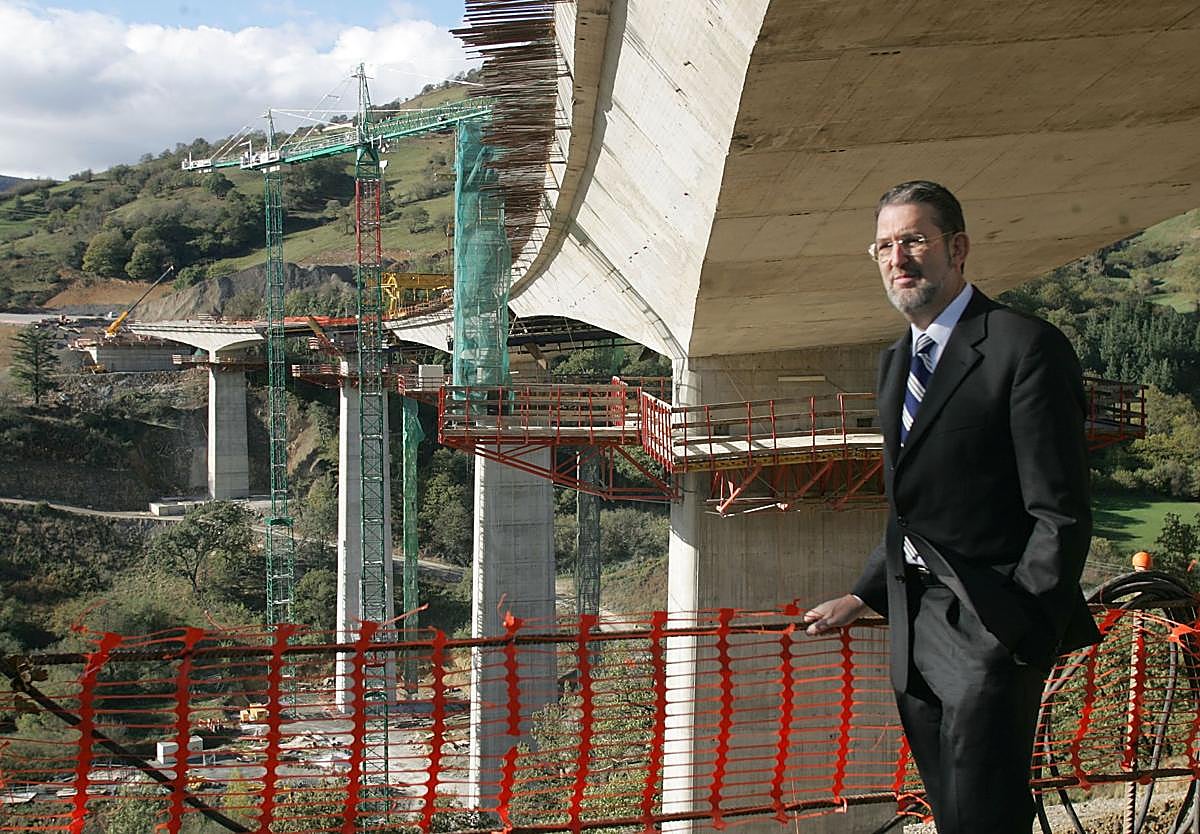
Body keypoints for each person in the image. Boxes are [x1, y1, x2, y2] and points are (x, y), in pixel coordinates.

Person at [802, 181, 1100, 833]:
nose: (897, 258)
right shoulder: (894, 364)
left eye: (914, 239)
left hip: (988, 622)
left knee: (983, 816)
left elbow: (1063, 511)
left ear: (957, 248)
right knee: (955, 813)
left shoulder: (1024, 348)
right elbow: (913, 510)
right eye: (884, 245)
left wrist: (1013, 631)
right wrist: (863, 594)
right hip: (913, 627)